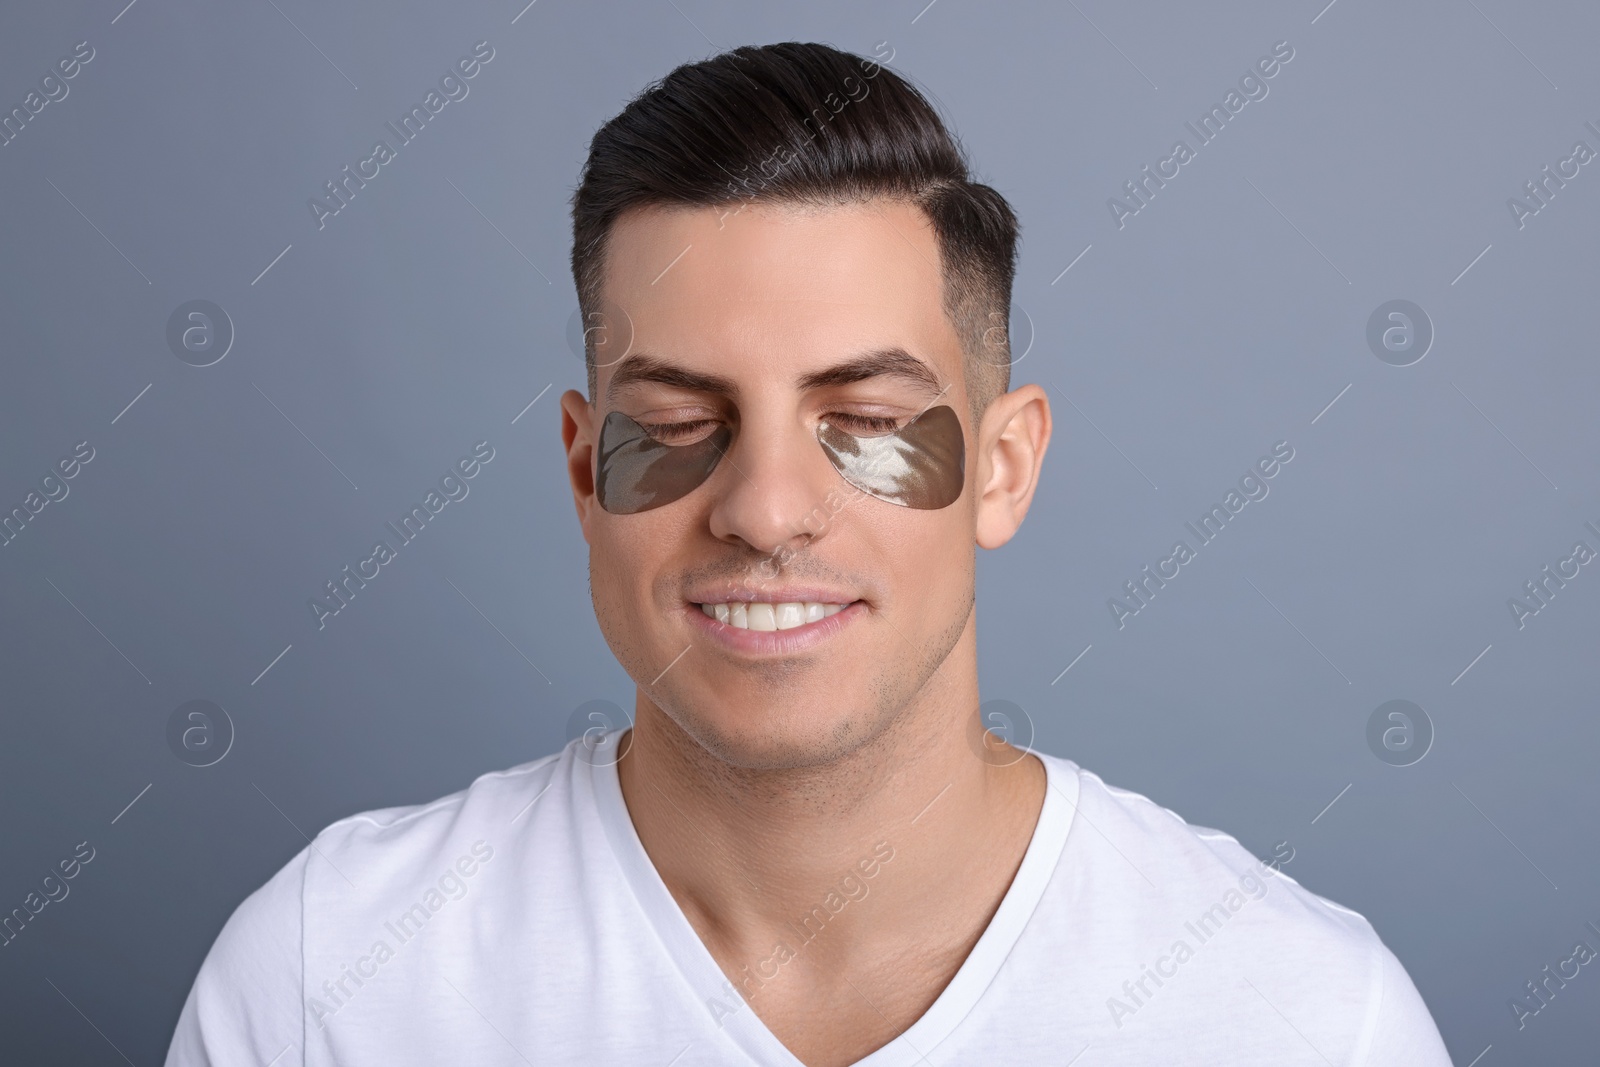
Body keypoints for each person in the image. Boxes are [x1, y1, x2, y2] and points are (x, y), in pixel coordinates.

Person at [165, 41, 1451, 1066]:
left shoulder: (1297, 1016)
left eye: (870, 424)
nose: (766, 507)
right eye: (674, 426)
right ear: (580, 468)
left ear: (1001, 466)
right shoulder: (327, 982)